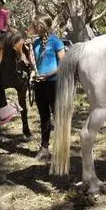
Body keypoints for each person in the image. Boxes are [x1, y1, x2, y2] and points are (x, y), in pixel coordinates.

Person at [29, 15, 65, 161]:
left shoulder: (55, 41)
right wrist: (33, 73)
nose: (34, 28)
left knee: (58, 116)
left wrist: (48, 75)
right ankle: (44, 148)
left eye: (36, 25)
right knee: (44, 117)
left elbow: (64, 64)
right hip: (39, 84)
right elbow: (35, 64)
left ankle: (61, 148)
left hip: (53, 83)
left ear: (43, 26)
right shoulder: (35, 43)